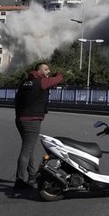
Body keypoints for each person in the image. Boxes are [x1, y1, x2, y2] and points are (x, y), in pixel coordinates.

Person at [14, 62, 63, 190]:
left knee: (29, 148)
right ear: (39, 72)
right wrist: (57, 73)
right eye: (46, 69)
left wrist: (20, 116)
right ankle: (19, 180)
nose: (48, 71)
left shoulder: (24, 83)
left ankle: (32, 176)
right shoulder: (41, 82)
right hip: (32, 120)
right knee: (26, 151)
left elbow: (16, 100)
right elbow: (59, 79)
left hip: (20, 119)